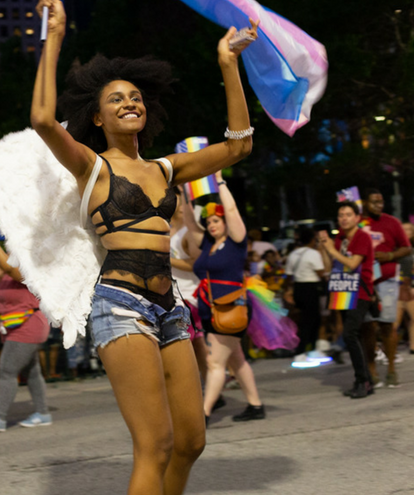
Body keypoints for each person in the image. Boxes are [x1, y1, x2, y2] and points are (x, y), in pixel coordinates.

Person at [30, 2, 255, 493]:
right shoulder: (91, 167)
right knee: (154, 446)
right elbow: (44, 119)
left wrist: (228, 65)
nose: (130, 102)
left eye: (135, 96)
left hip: (171, 306)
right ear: (96, 115)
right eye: (116, 99)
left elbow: (238, 146)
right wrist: (55, 38)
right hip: (121, 307)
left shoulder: (165, 168)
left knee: (192, 442)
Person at [185, 172, 265, 426]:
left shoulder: (236, 241)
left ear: (226, 222)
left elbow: (231, 209)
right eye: (209, 222)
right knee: (236, 359)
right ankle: (255, 405)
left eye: (217, 221)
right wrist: (186, 192)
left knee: (214, 362)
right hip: (213, 310)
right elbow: (190, 224)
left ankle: (204, 413)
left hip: (231, 308)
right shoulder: (208, 244)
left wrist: (219, 181)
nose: (212, 225)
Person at [0, 226, 51, 432]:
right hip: (16, 326)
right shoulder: (7, 274)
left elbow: (6, 265)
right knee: (32, 373)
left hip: (28, 325)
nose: (7, 252)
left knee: (7, 370)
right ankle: (43, 413)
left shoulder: (28, 270)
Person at [320, 201, 375, 398]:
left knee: (350, 334)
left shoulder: (362, 237)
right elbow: (330, 266)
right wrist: (325, 248)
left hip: (360, 290)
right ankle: (365, 379)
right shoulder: (340, 238)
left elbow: (353, 264)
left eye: (348, 214)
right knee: (353, 335)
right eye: (341, 215)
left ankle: (363, 380)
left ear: (357, 218)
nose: (344, 218)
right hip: (342, 289)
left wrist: (332, 250)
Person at [359, 188, 412, 388]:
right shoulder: (358, 223)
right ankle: (371, 369)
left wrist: (389, 256)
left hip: (387, 281)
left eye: (381, 201)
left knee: (387, 325)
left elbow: (406, 247)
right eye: (374, 202)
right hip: (364, 282)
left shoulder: (391, 222)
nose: (379, 205)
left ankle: (391, 368)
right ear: (365, 202)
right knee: (367, 327)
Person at [170, 189, 209, 384]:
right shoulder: (165, 229)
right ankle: (212, 388)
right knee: (197, 348)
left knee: (186, 347)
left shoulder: (188, 232)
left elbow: (196, 264)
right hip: (172, 296)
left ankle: (205, 389)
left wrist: (165, 260)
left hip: (188, 297)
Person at [285, 227, 327, 361]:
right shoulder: (314, 254)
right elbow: (321, 273)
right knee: (312, 320)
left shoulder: (293, 254)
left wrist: (288, 290)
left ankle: (307, 349)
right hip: (310, 288)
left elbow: (289, 275)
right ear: (312, 239)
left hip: (298, 288)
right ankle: (304, 350)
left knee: (305, 320)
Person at [393, 222, 414, 356]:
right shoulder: (396, 248)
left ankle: (413, 346)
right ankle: (390, 351)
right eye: (404, 229)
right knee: (394, 322)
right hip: (397, 287)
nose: (407, 232)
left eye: (410, 229)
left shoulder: (413, 250)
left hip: (411, 287)